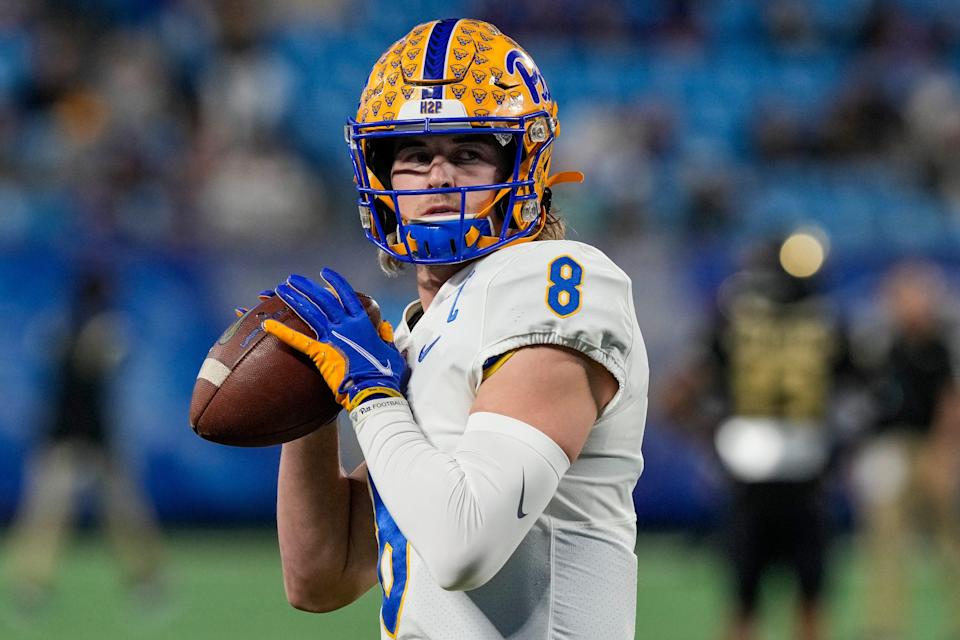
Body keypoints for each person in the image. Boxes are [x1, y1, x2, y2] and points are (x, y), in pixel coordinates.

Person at [257, 18, 648, 639]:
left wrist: (369, 393)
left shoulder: (555, 279)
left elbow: (466, 543)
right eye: (414, 155)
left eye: (467, 154)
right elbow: (320, 576)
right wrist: (308, 404)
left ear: (524, 161)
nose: (438, 177)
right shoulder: (420, 336)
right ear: (382, 177)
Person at [663, 237, 855, 640]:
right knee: (805, 597)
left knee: (749, 599)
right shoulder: (827, 319)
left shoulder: (735, 315)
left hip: (754, 470)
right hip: (805, 469)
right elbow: (861, 390)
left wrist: (712, 436)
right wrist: (843, 444)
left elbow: (679, 396)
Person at [6, 265, 165, 611]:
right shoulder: (63, 327)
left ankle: (147, 581)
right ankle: (32, 585)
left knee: (125, 517)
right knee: (47, 517)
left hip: (97, 437)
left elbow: (106, 362)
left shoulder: (107, 330)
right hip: (65, 435)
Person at [850, 260, 960, 638]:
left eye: (913, 295)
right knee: (884, 538)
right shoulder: (886, 345)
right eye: (900, 296)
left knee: (949, 540)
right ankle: (886, 623)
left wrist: (946, 452)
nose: (906, 303)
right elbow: (871, 403)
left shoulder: (937, 345)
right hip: (892, 448)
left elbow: (949, 401)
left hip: (929, 446)